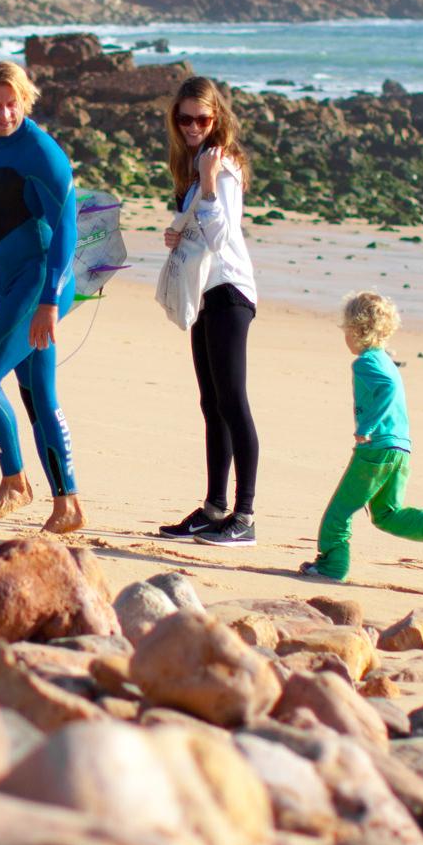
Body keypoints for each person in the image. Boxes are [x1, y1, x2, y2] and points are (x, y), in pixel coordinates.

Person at [0, 60, 84, 533]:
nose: (4, 114)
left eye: (12, 104)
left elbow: (67, 228)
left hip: (40, 282)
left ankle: (15, 483)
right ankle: (67, 505)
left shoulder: (42, 152)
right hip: (13, 284)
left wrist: (50, 300)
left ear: (24, 101)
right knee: (37, 396)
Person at [157, 77, 260, 547]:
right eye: (185, 119)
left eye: (202, 118)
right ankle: (214, 508)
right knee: (211, 404)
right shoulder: (194, 162)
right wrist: (178, 234)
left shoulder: (225, 166)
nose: (194, 126)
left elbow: (222, 237)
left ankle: (245, 515)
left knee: (233, 402)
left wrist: (209, 183)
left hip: (231, 293)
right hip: (204, 293)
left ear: (216, 117)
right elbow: (202, 234)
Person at [300, 292, 423, 580]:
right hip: (400, 449)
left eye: (346, 330)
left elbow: (387, 389)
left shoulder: (366, 363)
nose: (345, 336)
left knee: (340, 512)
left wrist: (366, 427)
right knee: (387, 513)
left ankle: (331, 566)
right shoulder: (385, 360)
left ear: (357, 330)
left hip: (376, 450)